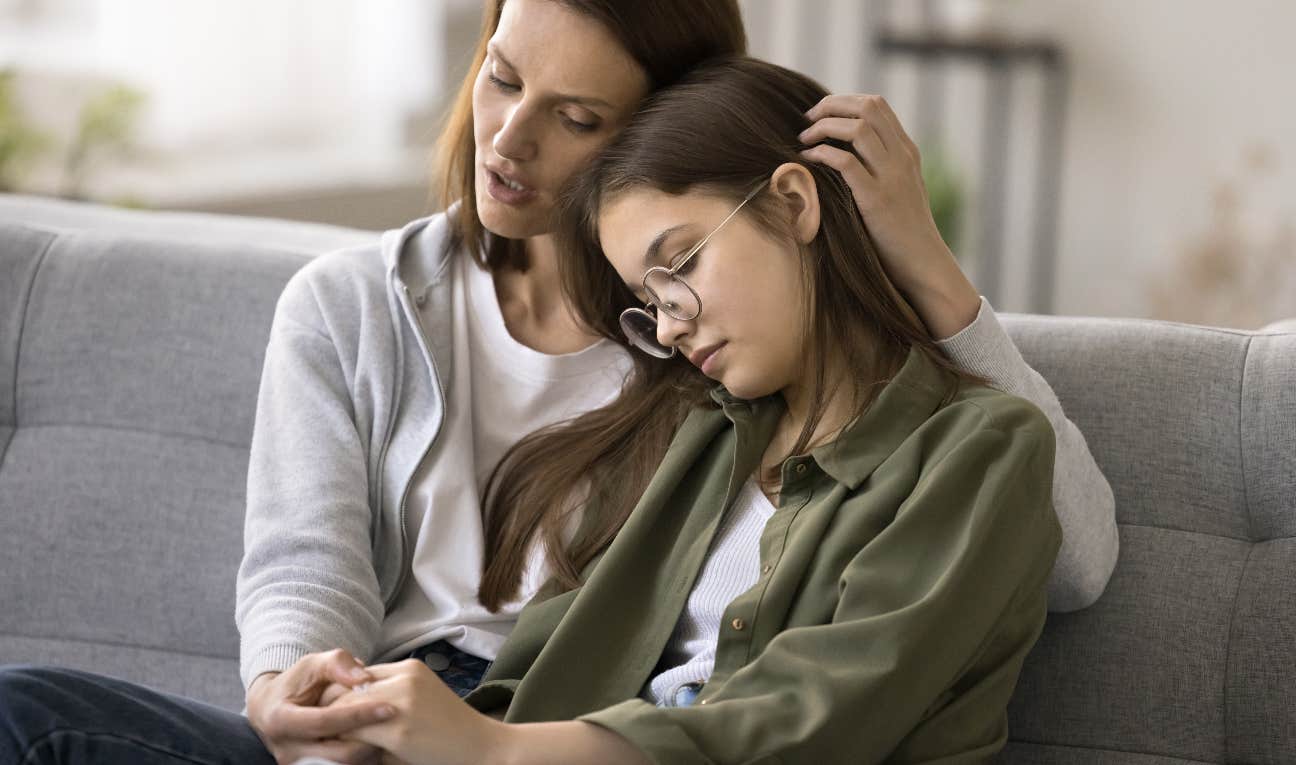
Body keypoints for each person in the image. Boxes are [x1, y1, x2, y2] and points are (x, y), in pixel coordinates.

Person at [0, 1, 1116, 763]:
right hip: (447, 720)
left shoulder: (786, 400)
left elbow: (1051, 552)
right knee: (32, 720)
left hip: (522, 742)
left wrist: (922, 265)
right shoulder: (718, 403)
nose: (508, 140)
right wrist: (325, 700)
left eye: (578, 119)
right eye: (499, 78)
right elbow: (493, 617)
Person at [314, 54, 1067, 764]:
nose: (669, 327)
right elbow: (544, 656)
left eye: (677, 269)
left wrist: (493, 750)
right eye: (649, 303)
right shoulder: (699, 426)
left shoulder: (984, 447)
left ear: (793, 202)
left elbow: (806, 724)